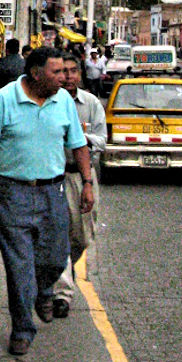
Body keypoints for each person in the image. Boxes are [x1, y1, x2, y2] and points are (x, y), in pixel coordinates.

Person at [0, 46, 94, 356]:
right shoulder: (4, 99)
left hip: (53, 193)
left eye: (65, 72)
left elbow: (79, 146)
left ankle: (44, 291)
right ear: (36, 74)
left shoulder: (64, 101)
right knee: (19, 266)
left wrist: (87, 183)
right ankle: (23, 328)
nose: (63, 78)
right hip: (11, 194)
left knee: (56, 257)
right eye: (57, 72)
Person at [51, 54, 107, 317]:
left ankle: (66, 268)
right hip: (54, 176)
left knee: (82, 236)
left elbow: (102, 140)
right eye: (64, 71)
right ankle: (62, 294)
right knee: (58, 233)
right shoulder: (48, 102)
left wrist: (77, 137)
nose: (69, 76)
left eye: (74, 71)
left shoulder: (91, 104)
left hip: (82, 177)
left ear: (80, 75)